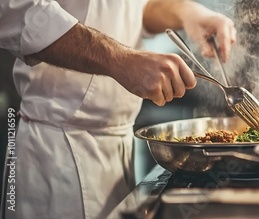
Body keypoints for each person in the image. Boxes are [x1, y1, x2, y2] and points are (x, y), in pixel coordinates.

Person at [0, 0, 236, 218]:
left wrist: (188, 12)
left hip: (119, 150)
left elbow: (135, 8)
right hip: (55, 156)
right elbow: (16, 9)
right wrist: (120, 59)